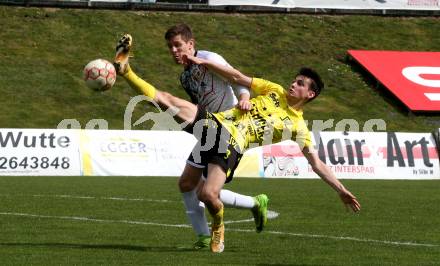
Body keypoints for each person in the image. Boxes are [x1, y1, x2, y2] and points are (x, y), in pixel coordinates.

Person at [115, 43, 361, 252]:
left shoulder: (298, 127)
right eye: (294, 81)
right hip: (216, 123)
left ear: (310, 94)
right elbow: (236, 77)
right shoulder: (274, 90)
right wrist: (202, 61)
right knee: (166, 99)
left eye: (299, 84)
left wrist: (340, 189)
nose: (292, 85)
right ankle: (126, 71)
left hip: (231, 145)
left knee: (207, 195)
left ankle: (219, 224)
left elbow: (316, 163)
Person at [113, 26, 268, 251]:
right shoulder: (185, 77)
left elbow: (238, 78)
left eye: (178, 45)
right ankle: (211, 232)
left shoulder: (209, 58)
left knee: (207, 192)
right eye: (170, 47)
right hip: (209, 128)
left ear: (191, 45)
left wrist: (244, 98)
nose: (174, 50)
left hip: (230, 128)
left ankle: (126, 71)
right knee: (187, 184)